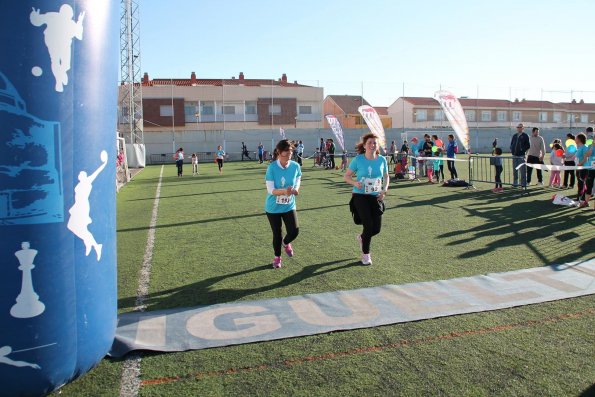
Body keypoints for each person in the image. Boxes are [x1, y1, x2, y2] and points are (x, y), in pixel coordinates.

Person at [344, 133, 389, 266]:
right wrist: (355, 183)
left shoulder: (382, 160)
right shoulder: (358, 159)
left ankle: (362, 237)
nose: (372, 145)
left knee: (376, 229)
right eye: (369, 143)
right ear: (364, 146)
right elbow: (346, 176)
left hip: (375, 196)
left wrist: (384, 190)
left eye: (375, 143)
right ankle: (366, 255)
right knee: (368, 226)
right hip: (360, 196)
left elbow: (386, 177)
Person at [264, 139, 302, 269]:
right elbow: (271, 190)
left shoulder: (295, 166)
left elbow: (298, 178)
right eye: (286, 151)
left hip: (289, 205)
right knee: (277, 234)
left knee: (295, 231)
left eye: (291, 151)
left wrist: (296, 188)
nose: (289, 154)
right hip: (273, 207)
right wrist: (284, 191)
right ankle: (277, 257)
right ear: (279, 152)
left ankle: (285, 243)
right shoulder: (272, 167)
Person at [510, 123, 530, 187]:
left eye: (520, 127)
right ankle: (515, 183)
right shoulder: (514, 135)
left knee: (523, 171)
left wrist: (522, 150)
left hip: (521, 156)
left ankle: (523, 184)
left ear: (523, 128)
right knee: (515, 170)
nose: (519, 128)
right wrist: (512, 149)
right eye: (518, 127)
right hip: (514, 155)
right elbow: (512, 144)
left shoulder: (525, 135)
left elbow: (528, 145)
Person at [575, 133, 591, 208]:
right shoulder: (580, 147)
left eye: (576, 138)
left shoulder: (585, 147)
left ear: (579, 139)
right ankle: (580, 198)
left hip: (583, 168)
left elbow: (585, 159)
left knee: (582, 184)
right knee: (580, 184)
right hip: (580, 168)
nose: (575, 139)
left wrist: (579, 165)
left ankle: (581, 199)